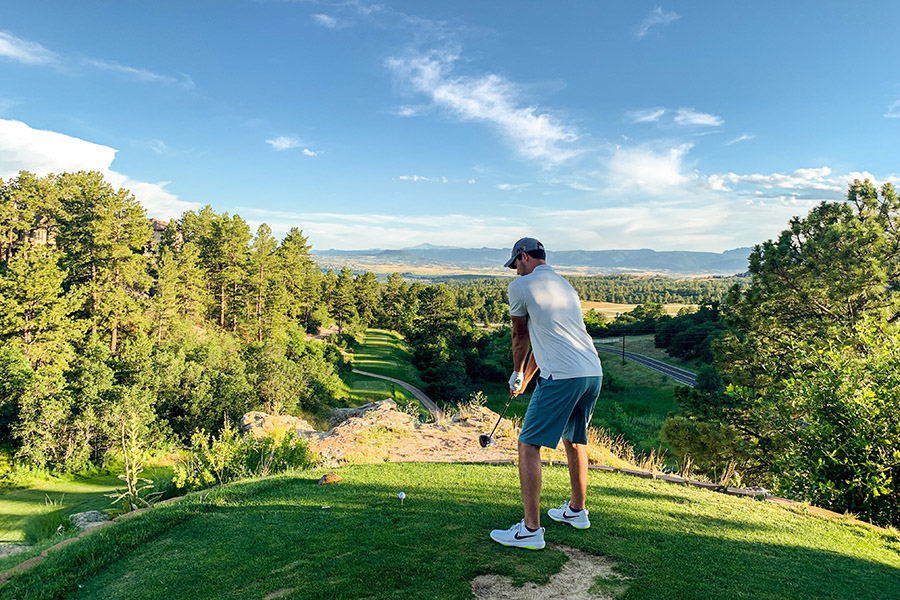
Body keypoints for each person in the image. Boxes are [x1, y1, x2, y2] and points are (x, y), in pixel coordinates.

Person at [490, 237, 603, 550]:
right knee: (575, 438)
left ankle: (530, 530)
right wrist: (526, 378)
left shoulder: (522, 286)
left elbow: (520, 335)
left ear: (524, 257)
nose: (515, 272)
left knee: (527, 444)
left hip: (562, 377)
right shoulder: (564, 285)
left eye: (515, 265)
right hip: (591, 371)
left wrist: (515, 370)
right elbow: (547, 340)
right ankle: (577, 512)